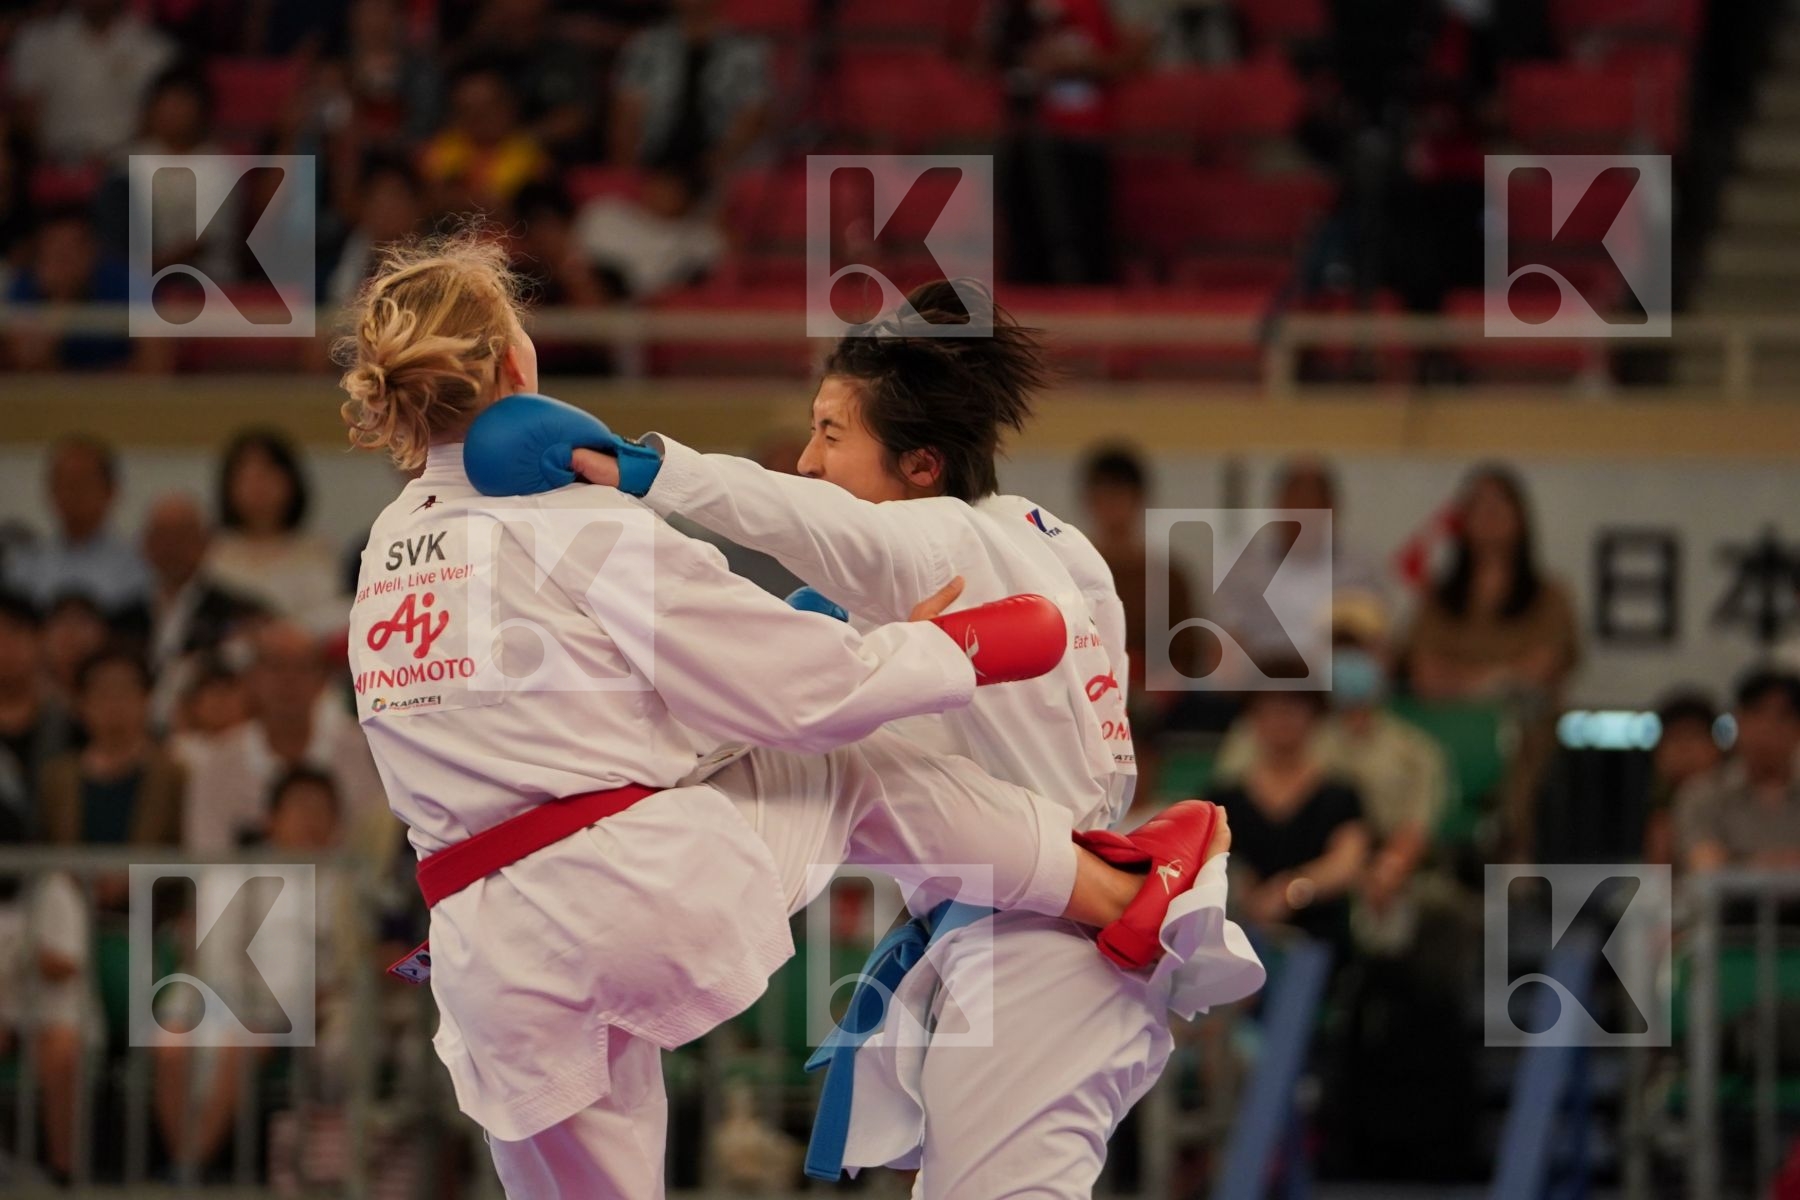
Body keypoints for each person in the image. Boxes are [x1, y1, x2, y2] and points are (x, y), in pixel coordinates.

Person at [334, 232, 1221, 1197]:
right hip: (620, 895)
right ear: (517, 363)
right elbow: (798, 695)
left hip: (486, 949)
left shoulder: (386, 552)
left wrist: (809, 652)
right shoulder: (576, 517)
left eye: (829, 436)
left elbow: (586, 736)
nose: (808, 459)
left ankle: (1108, 886)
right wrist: (939, 652)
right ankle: (1114, 887)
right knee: (843, 760)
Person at [178, 619, 386, 855]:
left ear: (323, 680)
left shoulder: (367, 752)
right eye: (275, 666)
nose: (288, 680)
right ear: (252, 679)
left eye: (302, 667)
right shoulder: (217, 767)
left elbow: (376, 854)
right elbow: (208, 866)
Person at [1211, 685, 1371, 962]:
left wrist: (1290, 891)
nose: (1282, 719)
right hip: (1236, 933)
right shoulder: (1224, 798)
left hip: (1316, 934)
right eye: (1270, 709)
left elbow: (1347, 862)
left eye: (1294, 708)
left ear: (1315, 717)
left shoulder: (1340, 794)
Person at [610, 0, 770, 196]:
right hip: (656, 159)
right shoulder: (646, 44)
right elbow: (626, 113)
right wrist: (629, 172)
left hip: (716, 163)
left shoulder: (746, 48)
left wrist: (718, 163)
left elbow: (753, 114)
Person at [138, 493, 265, 731]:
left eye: (182, 536)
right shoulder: (127, 616)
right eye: (162, 536)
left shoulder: (241, 613)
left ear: (207, 541)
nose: (171, 547)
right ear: (144, 544)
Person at [206, 430, 347, 635]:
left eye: (267, 474)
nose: (257, 487)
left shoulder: (318, 550)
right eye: (246, 477)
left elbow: (337, 615)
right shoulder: (212, 553)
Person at [5, 0, 175, 164]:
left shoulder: (156, 49)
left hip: (127, 169)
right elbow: (24, 117)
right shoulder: (36, 41)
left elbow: (163, 122)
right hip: (51, 167)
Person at [5, 435, 150, 614]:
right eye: (62, 483)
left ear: (112, 490)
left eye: (81, 482)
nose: (71, 493)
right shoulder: (26, 563)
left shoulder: (138, 565)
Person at [1676, 668, 1800, 874]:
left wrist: (1737, 860)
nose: (1767, 728)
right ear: (1738, 720)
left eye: (1782, 717)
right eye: (1756, 713)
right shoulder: (1702, 795)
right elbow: (1704, 864)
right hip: (1726, 906)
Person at [1644, 690, 1723, 866]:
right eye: (1674, 738)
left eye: (1694, 737)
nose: (1684, 750)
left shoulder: (1729, 804)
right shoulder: (1652, 811)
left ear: (1715, 747)